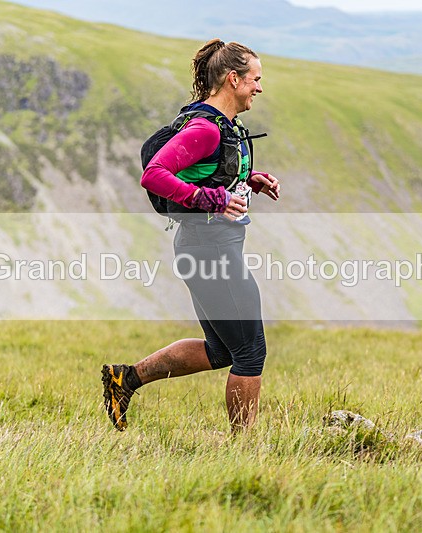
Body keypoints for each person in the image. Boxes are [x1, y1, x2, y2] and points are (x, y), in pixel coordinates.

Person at [102, 38, 280, 432]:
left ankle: (124, 379)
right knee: (250, 352)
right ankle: (245, 451)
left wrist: (248, 179)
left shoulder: (220, 125)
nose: (259, 87)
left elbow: (206, 172)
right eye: (255, 79)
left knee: (221, 350)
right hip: (210, 250)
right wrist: (211, 199)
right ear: (233, 79)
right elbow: (155, 175)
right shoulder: (205, 129)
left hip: (206, 247)